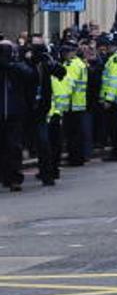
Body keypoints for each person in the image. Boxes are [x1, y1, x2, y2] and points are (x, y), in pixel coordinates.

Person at [25, 38, 66, 186]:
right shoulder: (26, 63)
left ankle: (47, 174)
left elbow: (61, 72)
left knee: (43, 143)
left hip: (40, 110)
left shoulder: (45, 64)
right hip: (25, 109)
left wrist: (51, 61)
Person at [0, 40, 34, 192]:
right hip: (3, 112)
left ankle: (15, 178)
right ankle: (5, 176)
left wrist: (11, 65)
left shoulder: (17, 67)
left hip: (15, 113)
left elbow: (29, 74)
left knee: (14, 146)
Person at [99, 35, 117, 161]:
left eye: (109, 45)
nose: (107, 47)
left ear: (115, 46)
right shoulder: (115, 58)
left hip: (114, 100)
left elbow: (114, 81)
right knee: (114, 127)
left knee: (114, 128)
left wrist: (109, 99)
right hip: (114, 99)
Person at [61, 43, 88, 166]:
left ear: (72, 52)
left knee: (72, 134)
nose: (64, 55)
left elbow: (68, 84)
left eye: (66, 52)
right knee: (77, 132)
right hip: (79, 102)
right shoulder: (80, 63)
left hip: (71, 103)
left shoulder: (71, 64)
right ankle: (78, 157)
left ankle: (74, 159)